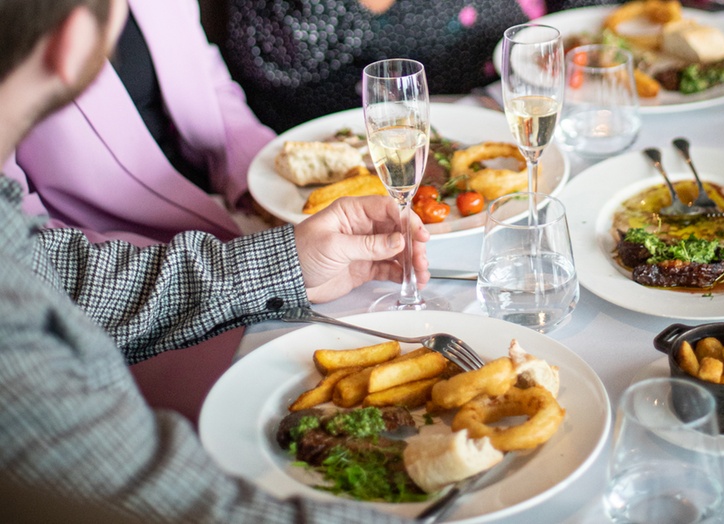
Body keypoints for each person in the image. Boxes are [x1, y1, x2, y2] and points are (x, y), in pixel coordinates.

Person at [0, 0, 427, 520]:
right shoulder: (17, 323)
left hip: (221, 246)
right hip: (149, 311)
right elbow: (181, 503)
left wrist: (275, 230)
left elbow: (57, 268)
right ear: (74, 43)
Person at [1, 0, 282, 422]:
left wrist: (269, 186)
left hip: (236, 226)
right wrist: (263, 259)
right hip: (127, 292)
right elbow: (29, 250)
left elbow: (210, 83)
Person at [223, 0, 618, 132]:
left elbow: (587, 12)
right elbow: (269, 57)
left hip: (530, 106)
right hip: (374, 140)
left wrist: (589, 42)